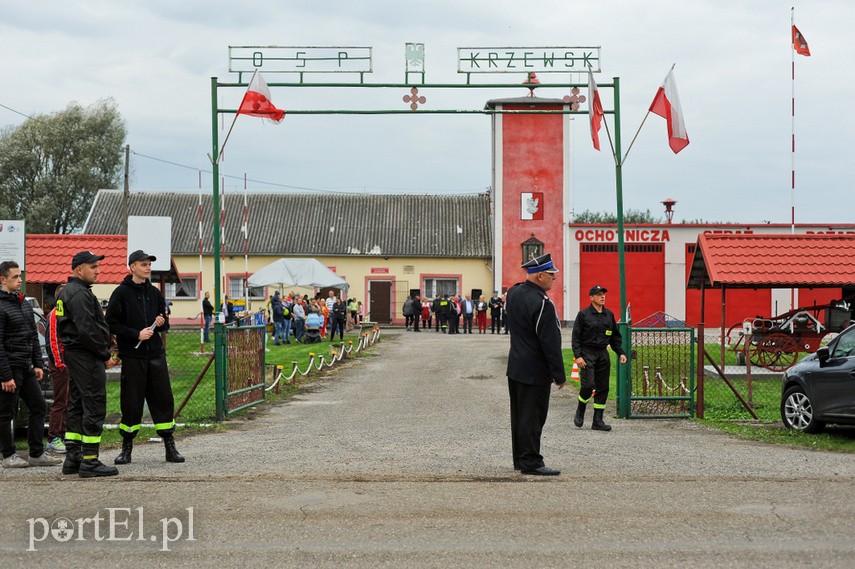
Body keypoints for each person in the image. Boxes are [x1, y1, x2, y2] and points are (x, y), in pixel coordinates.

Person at [106, 250, 185, 465]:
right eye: (143, 264)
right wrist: (135, 334)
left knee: (163, 399)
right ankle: (126, 449)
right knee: (131, 403)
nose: (148, 268)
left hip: (156, 355)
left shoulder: (155, 293)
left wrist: (161, 323)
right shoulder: (121, 293)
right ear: (132, 267)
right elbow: (111, 323)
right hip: (133, 356)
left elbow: (165, 321)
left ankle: (170, 446)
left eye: (149, 264)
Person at [56, 251, 119, 477]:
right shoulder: (80, 294)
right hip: (86, 355)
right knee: (94, 404)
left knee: (77, 403)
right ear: (79, 269)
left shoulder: (68, 292)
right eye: (93, 267)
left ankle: (73, 458)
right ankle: (90, 460)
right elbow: (87, 330)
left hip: (76, 355)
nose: (97, 271)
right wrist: (104, 354)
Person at [505, 253, 566, 476]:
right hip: (535, 369)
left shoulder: (514, 293)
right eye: (551, 275)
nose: (554, 279)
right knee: (533, 417)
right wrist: (559, 374)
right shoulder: (543, 304)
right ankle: (531, 461)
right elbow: (550, 342)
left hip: (516, 365)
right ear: (540, 276)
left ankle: (520, 458)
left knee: (520, 415)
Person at [0, 261, 62, 469]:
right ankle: (8, 455)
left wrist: (37, 363)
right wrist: (5, 375)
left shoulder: (24, 304)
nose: (20, 280)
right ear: (3, 279)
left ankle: (36, 453)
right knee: (6, 412)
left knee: (38, 405)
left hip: (26, 367)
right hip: (10, 368)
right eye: (15, 277)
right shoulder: (1, 306)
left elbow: (33, 337)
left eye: (20, 276)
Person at [571, 285, 627, 432]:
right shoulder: (583, 315)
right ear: (591, 298)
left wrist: (620, 352)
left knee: (603, 387)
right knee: (588, 385)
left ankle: (598, 420)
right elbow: (576, 337)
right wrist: (578, 356)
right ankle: (581, 408)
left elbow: (615, 336)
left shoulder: (609, 315)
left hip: (602, 353)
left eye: (603, 294)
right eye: (599, 294)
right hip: (587, 353)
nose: (602, 297)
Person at [45, 283, 69, 454]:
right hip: (60, 364)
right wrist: (60, 363)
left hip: (69, 363)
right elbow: (53, 340)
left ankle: (65, 435)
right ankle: (53, 437)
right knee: (60, 401)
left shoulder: (67, 314)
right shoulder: (55, 315)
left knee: (69, 401)